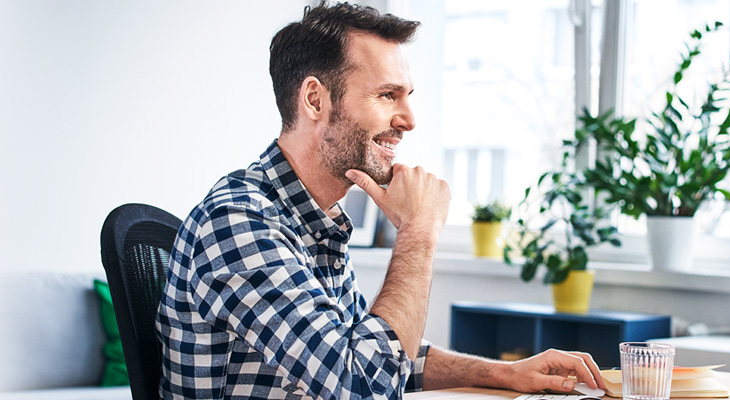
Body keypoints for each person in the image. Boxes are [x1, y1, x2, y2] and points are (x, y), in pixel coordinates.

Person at [156, 2, 607, 399]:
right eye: (387, 95)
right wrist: (418, 233)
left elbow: (376, 357)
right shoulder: (240, 222)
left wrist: (504, 374)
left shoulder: (314, 220)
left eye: (407, 97)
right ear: (315, 99)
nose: (409, 120)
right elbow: (363, 387)